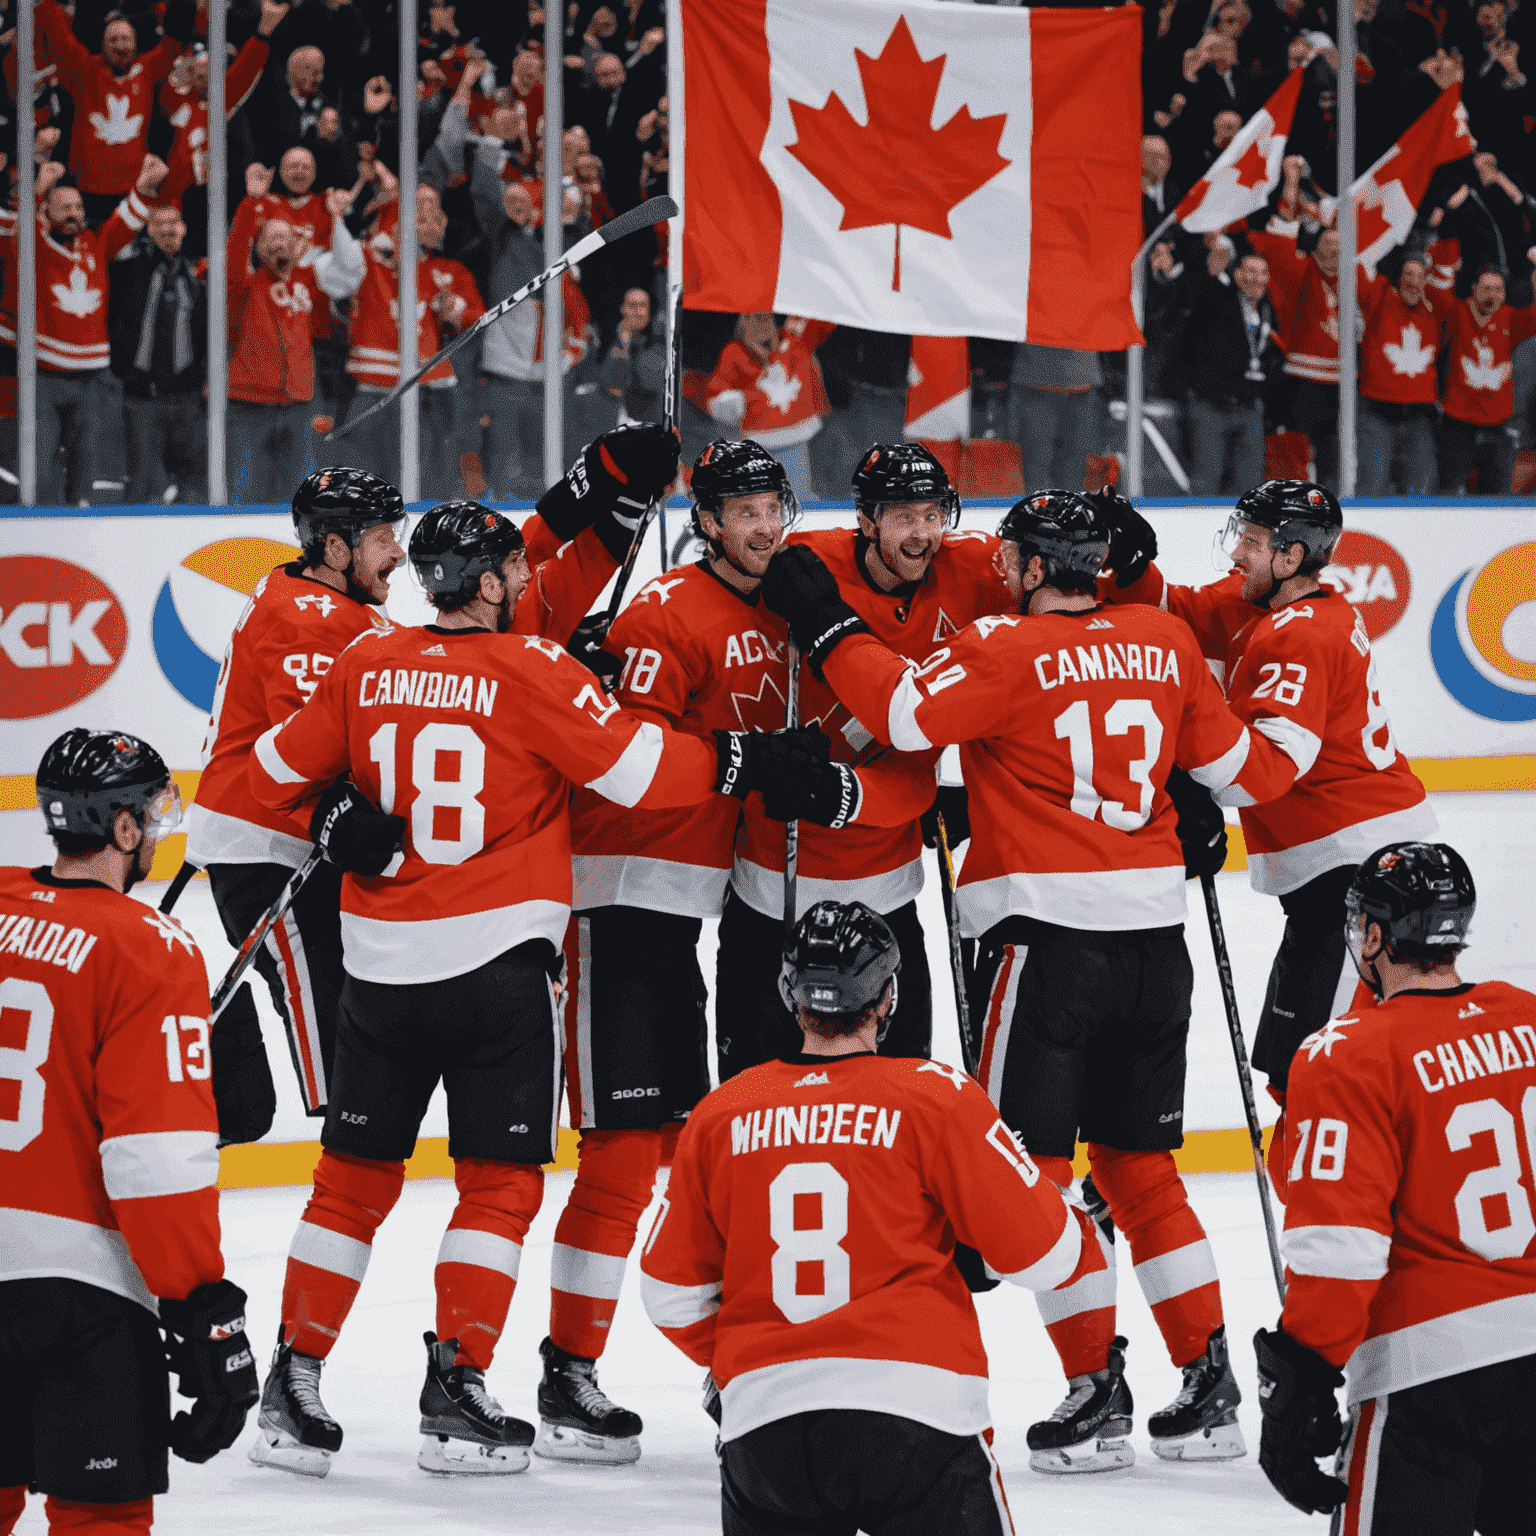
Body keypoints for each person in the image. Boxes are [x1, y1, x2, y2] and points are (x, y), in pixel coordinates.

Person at [243, 492, 820, 1479]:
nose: (525, 586)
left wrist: (341, 811)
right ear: (499, 579)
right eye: (518, 572)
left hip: (378, 974)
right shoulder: (531, 668)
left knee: (348, 1188)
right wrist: (748, 757)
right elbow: (641, 773)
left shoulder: (364, 661)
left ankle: (293, 1384)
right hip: (498, 975)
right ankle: (458, 1382)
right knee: (500, 1189)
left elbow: (269, 767)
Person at [760, 489, 1305, 1471]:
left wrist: (829, 622)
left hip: (1046, 952)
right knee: (1144, 1173)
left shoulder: (1002, 648)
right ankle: (1209, 1384)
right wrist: (1179, 791)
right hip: (1154, 949)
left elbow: (901, 711)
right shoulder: (1163, 641)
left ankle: (1094, 1393)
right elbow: (1250, 775)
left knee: (1037, 1186)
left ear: (1022, 568)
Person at [186, 428, 678, 1142]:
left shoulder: (320, 599)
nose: (396, 551)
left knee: (346, 1052)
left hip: (278, 843)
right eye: (383, 537)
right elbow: (300, 757)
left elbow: (484, 590)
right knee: (339, 1067)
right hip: (268, 849)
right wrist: (329, 811)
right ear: (334, 549)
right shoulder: (311, 622)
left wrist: (590, 493)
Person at [640, 899, 1108, 1534]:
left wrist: (750, 1361)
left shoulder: (721, 1114)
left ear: (787, 991)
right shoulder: (936, 1097)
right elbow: (1048, 1258)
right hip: (919, 1416)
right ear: (888, 996)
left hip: (765, 1433)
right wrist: (1076, 1218)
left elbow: (670, 1295)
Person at [544, 440, 799, 1464]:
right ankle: (568, 1371)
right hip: (615, 898)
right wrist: (740, 761)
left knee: (689, 1149)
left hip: (690, 911)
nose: (763, 525)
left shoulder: (790, 600)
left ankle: (727, 1358)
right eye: (741, 509)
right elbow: (627, 764)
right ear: (705, 520)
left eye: (772, 504)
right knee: (620, 1156)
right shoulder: (661, 614)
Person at [1101, 482, 1436, 1182]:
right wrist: (1133, 570)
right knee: (1296, 1071)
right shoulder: (1277, 603)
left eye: (1252, 543)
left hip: (1365, 877)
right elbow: (1187, 615)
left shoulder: (1302, 636)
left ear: (1290, 558)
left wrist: (1185, 761)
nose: (1238, 553)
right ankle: (1322, 1211)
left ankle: (1355, 1221)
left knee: (1323, 1074)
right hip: (1334, 872)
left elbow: (1268, 771)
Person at [1, 729, 260, 1534]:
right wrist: (204, 1309)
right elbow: (157, 1163)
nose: (157, 828)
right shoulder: (153, 950)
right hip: (81, 1294)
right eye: (152, 813)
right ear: (121, 829)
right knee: (98, 1520)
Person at [1254, 841, 1536, 1531]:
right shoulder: (1529, 1017)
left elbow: (1339, 1250)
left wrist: (1302, 1379)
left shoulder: (1344, 1052)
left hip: (1427, 1381)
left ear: (1375, 935)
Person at [715, 443, 1012, 1084]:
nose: (924, 533)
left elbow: (1066, 597)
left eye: (934, 514)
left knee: (902, 1103)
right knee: (753, 1100)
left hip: (888, 890)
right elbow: (715, 595)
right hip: (773, 887)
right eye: (904, 517)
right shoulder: (808, 561)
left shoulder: (974, 571)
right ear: (867, 520)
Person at [0, 155, 164, 505]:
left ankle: (81, 520)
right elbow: (18, 235)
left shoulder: (94, 242)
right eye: (64, 208)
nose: (74, 213)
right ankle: (37, 531)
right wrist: (39, 188)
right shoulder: (36, 245)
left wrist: (144, 185)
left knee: (86, 462)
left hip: (91, 376)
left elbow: (122, 222)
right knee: (39, 464)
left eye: (77, 206)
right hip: (43, 374)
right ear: (46, 212)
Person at [334, 185, 485, 498]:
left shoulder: (448, 270)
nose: (426, 213)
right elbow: (343, 269)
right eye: (418, 205)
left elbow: (479, 316)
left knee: (431, 477)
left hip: (433, 390)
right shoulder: (371, 260)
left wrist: (455, 309)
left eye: (432, 205)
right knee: (369, 481)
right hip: (377, 388)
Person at [226, 187, 362, 503]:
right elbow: (235, 252)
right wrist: (250, 203)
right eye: (270, 238)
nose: (278, 243)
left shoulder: (308, 283)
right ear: (258, 248)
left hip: (298, 405)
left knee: (301, 493)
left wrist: (336, 218)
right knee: (245, 489)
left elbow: (348, 269)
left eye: (285, 236)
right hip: (251, 406)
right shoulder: (244, 283)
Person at [36, 0, 191, 225]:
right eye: (113, 39)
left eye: (126, 38)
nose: (120, 45)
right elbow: (60, 39)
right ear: (102, 45)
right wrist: (47, 4)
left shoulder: (147, 70)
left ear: (136, 44)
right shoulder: (85, 71)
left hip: (132, 191)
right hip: (87, 193)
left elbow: (175, 42)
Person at [108, 201, 209, 502]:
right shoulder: (128, 269)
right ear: (147, 230)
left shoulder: (198, 272)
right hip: (143, 396)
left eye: (173, 222)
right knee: (143, 482)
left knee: (195, 483)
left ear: (184, 228)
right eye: (158, 223)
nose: (167, 229)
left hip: (188, 396)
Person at [159, 0, 286, 216]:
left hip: (212, 198)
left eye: (209, 74)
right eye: (197, 73)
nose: (203, 77)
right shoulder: (175, 98)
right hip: (173, 198)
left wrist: (264, 30)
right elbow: (169, 92)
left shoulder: (220, 102)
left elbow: (246, 69)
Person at [1182, 246, 1282, 494]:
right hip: (1211, 407)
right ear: (1236, 274)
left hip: (1250, 411)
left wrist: (1263, 389)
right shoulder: (1218, 301)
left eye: (1261, 273)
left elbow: (1274, 356)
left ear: (1268, 278)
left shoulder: (1269, 310)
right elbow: (1199, 309)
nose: (1254, 278)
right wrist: (1215, 274)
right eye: (1248, 271)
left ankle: (1241, 534)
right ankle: (1202, 532)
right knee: (1207, 481)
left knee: (1248, 487)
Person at [703, 314, 833, 503]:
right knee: (761, 499)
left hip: (795, 437)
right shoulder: (735, 352)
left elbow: (821, 320)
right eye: (754, 318)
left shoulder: (793, 341)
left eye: (765, 318)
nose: (761, 325)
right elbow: (716, 392)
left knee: (797, 498)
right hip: (757, 443)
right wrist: (733, 403)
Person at [1437, 264, 1536, 495]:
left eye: (1498, 290)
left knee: (1497, 501)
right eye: (1486, 289)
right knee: (1449, 497)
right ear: (1474, 289)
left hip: (1498, 427)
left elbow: (1533, 315)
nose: (1492, 295)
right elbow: (1440, 299)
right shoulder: (1457, 313)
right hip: (1457, 425)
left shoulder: (1509, 317)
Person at [1357, 255, 1442, 496]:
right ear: (1399, 277)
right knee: (1372, 490)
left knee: (1421, 494)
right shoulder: (1380, 300)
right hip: (1377, 415)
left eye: (1419, 276)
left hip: (1418, 420)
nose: (1413, 282)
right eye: (1408, 275)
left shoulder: (1433, 311)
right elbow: (1363, 263)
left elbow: (1445, 279)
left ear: (1427, 280)